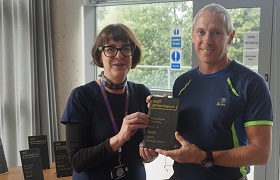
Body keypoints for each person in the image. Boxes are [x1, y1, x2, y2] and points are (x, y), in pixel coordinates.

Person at [154, 3, 273, 180]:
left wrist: (204, 157)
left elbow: (261, 153)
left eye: (216, 33)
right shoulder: (182, 83)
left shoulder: (251, 83)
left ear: (230, 37)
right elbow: (181, 139)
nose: (207, 40)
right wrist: (159, 120)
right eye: (201, 32)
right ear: (193, 36)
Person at [61, 23, 158, 180]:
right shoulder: (80, 97)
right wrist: (120, 137)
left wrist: (149, 154)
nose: (119, 56)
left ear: (133, 54)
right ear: (100, 55)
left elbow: (146, 149)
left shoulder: (142, 93)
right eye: (110, 49)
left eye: (125, 48)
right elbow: (77, 161)